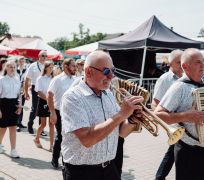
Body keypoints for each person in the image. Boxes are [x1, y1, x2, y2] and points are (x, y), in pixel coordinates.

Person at [60, 50, 143, 180]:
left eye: (112, 70)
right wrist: (122, 114)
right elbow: (87, 139)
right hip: (82, 172)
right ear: (88, 72)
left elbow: (121, 132)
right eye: (105, 71)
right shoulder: (72, 97)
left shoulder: (108, 94)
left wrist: (132, 120)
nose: (111, 76)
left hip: (109, 168)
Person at [154, 48, 204, 180]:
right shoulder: (179, 87)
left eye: (203, 62)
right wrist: (186, 116)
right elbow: (158, 115)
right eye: (198, 62)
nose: (203, 65)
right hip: (189, 153)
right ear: (185, 66)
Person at [152, 49, 183, 180]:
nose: (182, 64)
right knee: (176, 152)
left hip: (186, 122)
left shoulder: (187, 77)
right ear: (171, 63)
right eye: (178, 62)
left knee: (173, 152)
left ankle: (159, 177)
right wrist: (168, 122)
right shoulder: (164, 79)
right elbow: (155, 104)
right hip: (175, 123)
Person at [47, 58, 76, 169]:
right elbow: (49, 95)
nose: (75, 68)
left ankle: (66, 160)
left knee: (70, 137)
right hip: (59, 112)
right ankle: (55, 159)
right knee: (61, 136)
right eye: (73, 66)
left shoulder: (76, 79)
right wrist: (52, 112)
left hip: (72, 112)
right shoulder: (57, 79)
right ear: (65, 66)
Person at [0, 61, 22, 158]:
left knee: (13, 127)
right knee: (3, 128)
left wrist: (20, 106)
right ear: (6, 68)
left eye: (14, 67)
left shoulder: (17, 79)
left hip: (14, 105)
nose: (12, 68)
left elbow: (19, 94)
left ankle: (13, 149)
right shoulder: (2, 80)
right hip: (4, 104)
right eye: (10, 67)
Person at [24, 50, 47, 135]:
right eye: (43, 55)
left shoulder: (47, 65)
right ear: (39, 56)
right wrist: (26, 92)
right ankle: (30, 124)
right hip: (35, 88)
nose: (44, 57)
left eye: (45, 56)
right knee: (35, 108)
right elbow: (27, 79)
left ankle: (41, 129)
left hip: (44, 89)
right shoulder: (33, 65)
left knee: (43, 108)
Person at [34, 61, 54, 151]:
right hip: (43, 101)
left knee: (51, 124)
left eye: (52, 67)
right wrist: (47, 99)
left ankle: (51, 145)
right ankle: (36, 138)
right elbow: (39, 91)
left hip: (52, 102)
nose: (51, 68)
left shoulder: (54, 78)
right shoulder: (40, 78)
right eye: (50, 67)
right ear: (45, 68)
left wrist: (51, 101)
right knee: (43, 124)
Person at [16, 56, 27, 132]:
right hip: (15, 90)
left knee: (21, 106)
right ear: (18, 62)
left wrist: (24, 89)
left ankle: (19, 122)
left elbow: (27, 81)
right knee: (16, 106)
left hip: (22, 90)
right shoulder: (15, 70)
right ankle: (16, 123)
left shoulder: (26, 70)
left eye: (23, 61)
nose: (21, 62)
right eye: (20, 61)